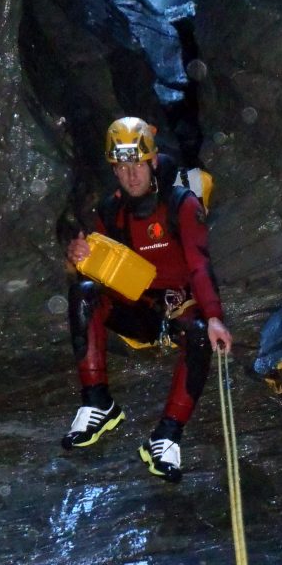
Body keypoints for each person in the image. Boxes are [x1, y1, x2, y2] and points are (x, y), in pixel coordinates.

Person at [62, 116, 233, 483]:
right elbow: (97, 270)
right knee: (83, 292)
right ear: (114, 169)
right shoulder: (110, 212)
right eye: (122, 167)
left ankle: (167, 436)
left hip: (177, 310)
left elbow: (200, 263)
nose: (131, 175)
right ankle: (97, 403)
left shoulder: (181, 204)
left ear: (153, 162)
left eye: (137, 164)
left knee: (201, 332)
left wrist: (215, 315)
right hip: (137, 311)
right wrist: (78, 257)